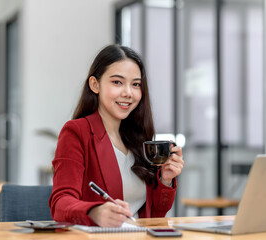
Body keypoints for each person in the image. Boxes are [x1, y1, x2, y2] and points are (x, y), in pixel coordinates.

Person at [49, 44, 184, 227]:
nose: (128, 93)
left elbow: (154, 214)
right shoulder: (76, 132)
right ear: (95, 85)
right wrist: (94, 212)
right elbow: (60, 203)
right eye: (117, 82)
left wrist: (165, 180)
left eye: (135, 84)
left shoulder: (137, 138)